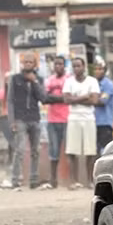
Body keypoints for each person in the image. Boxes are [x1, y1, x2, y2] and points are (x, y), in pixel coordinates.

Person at [7, 53, 51, 189]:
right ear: (22, 63)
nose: (27, 64)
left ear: (35, 64)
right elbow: (10, 100)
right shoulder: (15, 79)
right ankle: (15, 180)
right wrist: (11, 120)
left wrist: (35, 82)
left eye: (30, 62)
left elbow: (43, 98)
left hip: (34, 118)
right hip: (20, 119)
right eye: (25, 62)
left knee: (35, 151)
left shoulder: (39, 79)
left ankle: (33, 180)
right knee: (19, 150)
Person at [63, 58, 100, 189]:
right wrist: (84, 97)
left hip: (89, 118)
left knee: (90, 151)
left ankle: (90, 181)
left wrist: (75, 99)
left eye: (78, 66)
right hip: (73, 118)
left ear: (84, 66)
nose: (76, 68)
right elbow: (66, 100)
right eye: (74, 66)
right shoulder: (69, 82)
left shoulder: (92, 81)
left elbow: (95, 100)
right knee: (72, 151)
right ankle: (73, 181)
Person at [44, 55, 69, 188]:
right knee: (53, 150)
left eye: (60, 64)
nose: (58, 66)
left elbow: (68, 98)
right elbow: (44, 98)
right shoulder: (49, 80)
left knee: (69, 149)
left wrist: (53, 97)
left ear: (64, 65)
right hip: (52, 120)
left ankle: (70, 179)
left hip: (67, 119)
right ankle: (53, 179)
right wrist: (60, 97)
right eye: (56, 64)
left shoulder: (69, 79)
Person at [0, 73, 17, 183]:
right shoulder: (3, 92)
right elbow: (1, 104)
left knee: (15, 142)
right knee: (11, 142)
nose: (9, 81)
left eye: (10, 79)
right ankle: (10, 160)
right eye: (7, 79)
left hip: (16, 117)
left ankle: (13, 162)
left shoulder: (17, 90)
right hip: (6, 117)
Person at [94, 60, 113, 156]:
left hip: (105, 123)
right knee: (95, 151)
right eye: (96, 69)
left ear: (105, 70)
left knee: (105, 151)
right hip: (94, 122)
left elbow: (102, 101)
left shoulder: (108, 85)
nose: (98, 71)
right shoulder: (93, 83)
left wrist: (88, 98)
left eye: (100, 69)